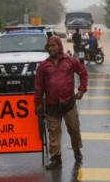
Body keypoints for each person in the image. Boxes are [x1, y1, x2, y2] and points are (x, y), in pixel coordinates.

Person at [35, 35, 88, 169]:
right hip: (52, 105)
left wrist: (81, 90)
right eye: (48, 46)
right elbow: (39, 87)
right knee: (54, 133)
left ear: (59, 46)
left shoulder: (70, 61)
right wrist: (38, 104)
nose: (50, 48)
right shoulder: (43, 66)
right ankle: (56, 158)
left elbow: (83, 72)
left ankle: (77, 150)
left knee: (74, 129)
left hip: (69, 103)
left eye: (53, 45)